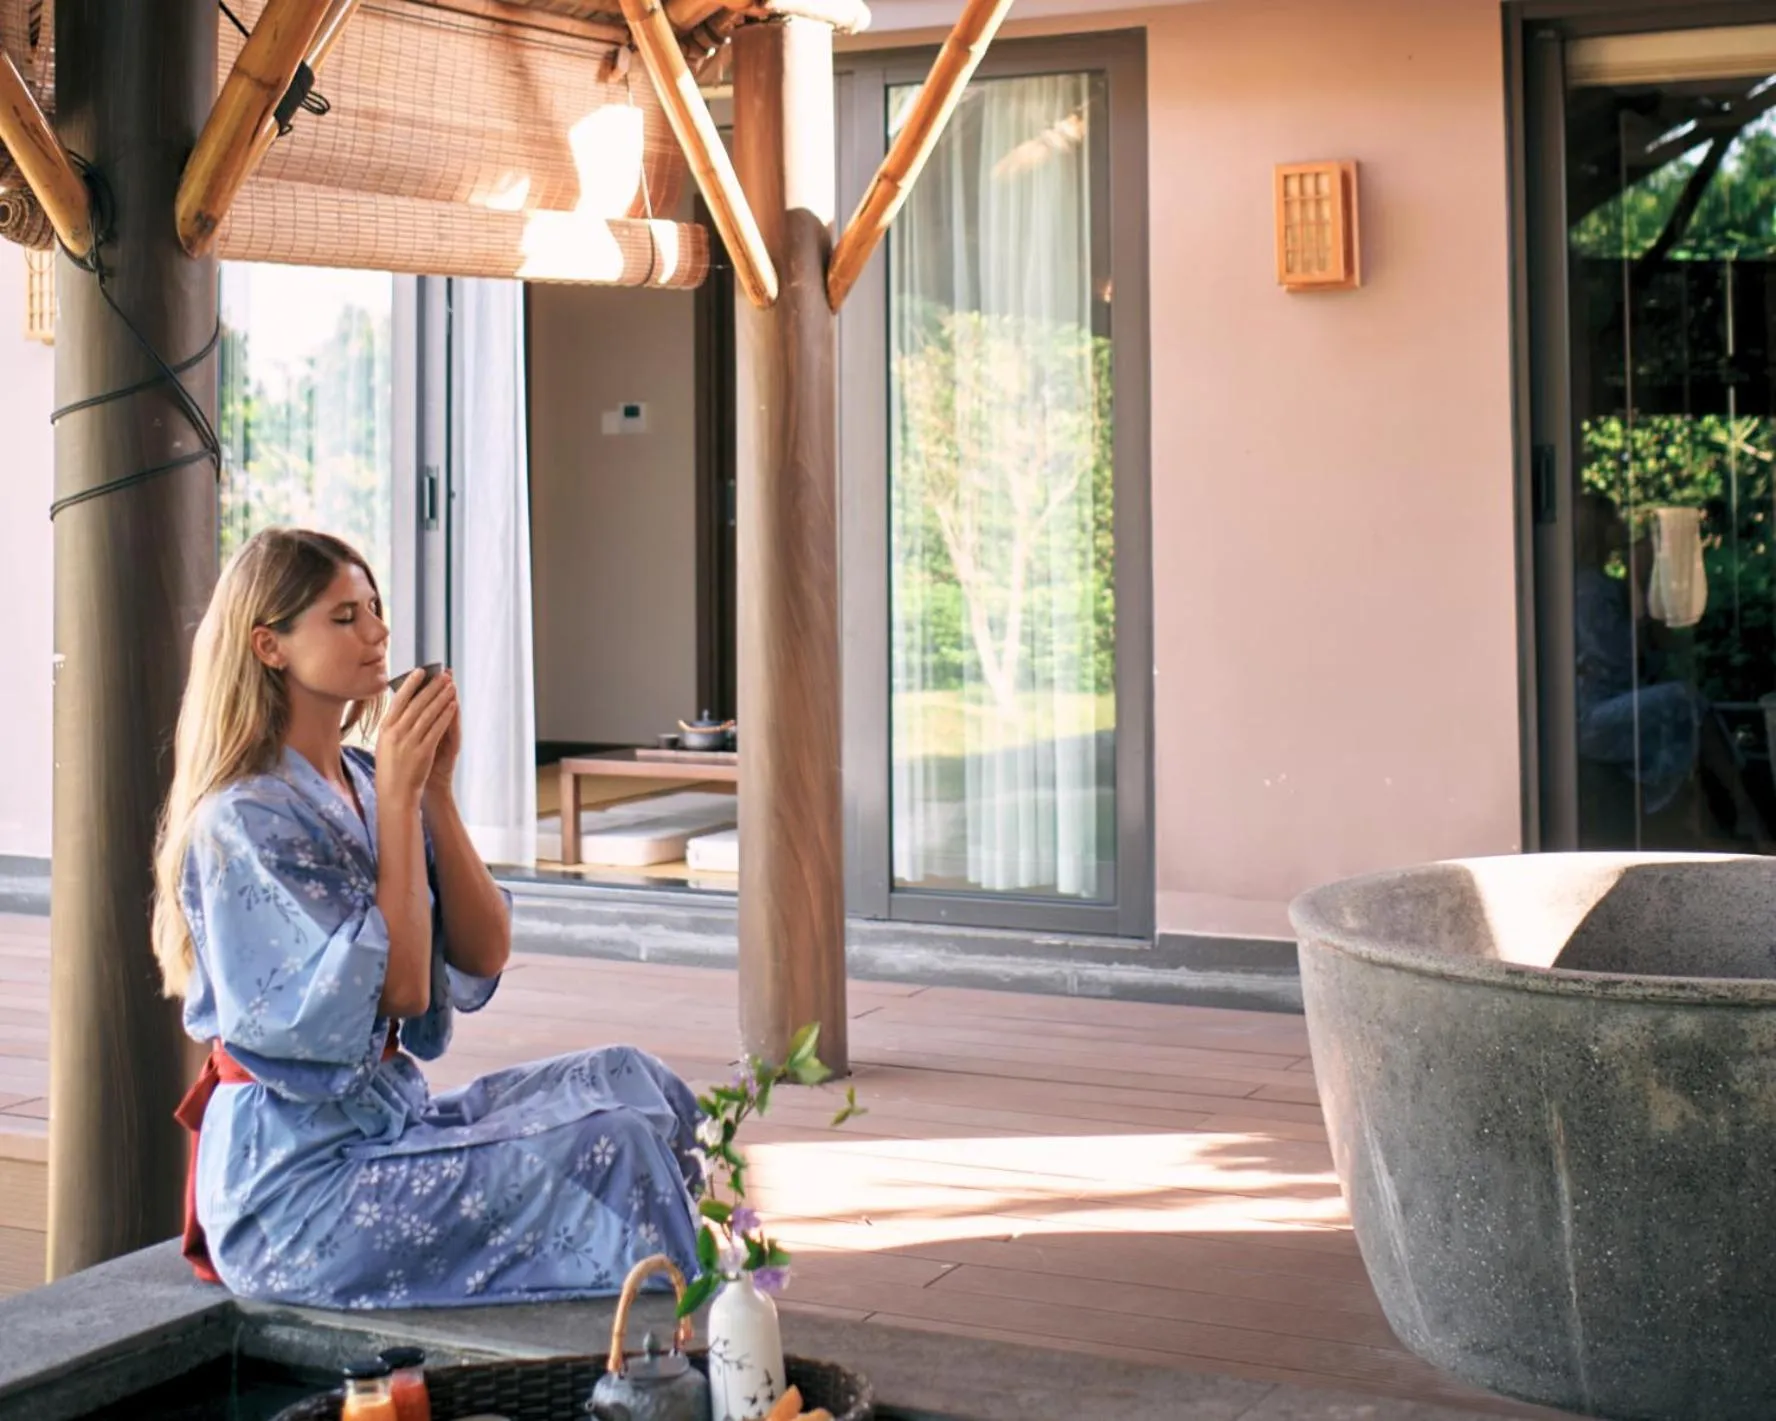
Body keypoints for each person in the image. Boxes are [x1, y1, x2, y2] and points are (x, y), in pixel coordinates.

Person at [153, 528, 702, 1308]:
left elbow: (484, 949)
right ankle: (667, 1350)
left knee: (631, 1077)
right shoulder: (242, 819)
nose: (378, 632)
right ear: (269, 645)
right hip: (299, 1191)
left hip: (392, 1128)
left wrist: (435, 790)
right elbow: (405, 989)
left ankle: (685, 1309)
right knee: (615, 1143)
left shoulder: (372, 779)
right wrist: (403, 799)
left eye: (374, 608)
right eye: (344, 617)